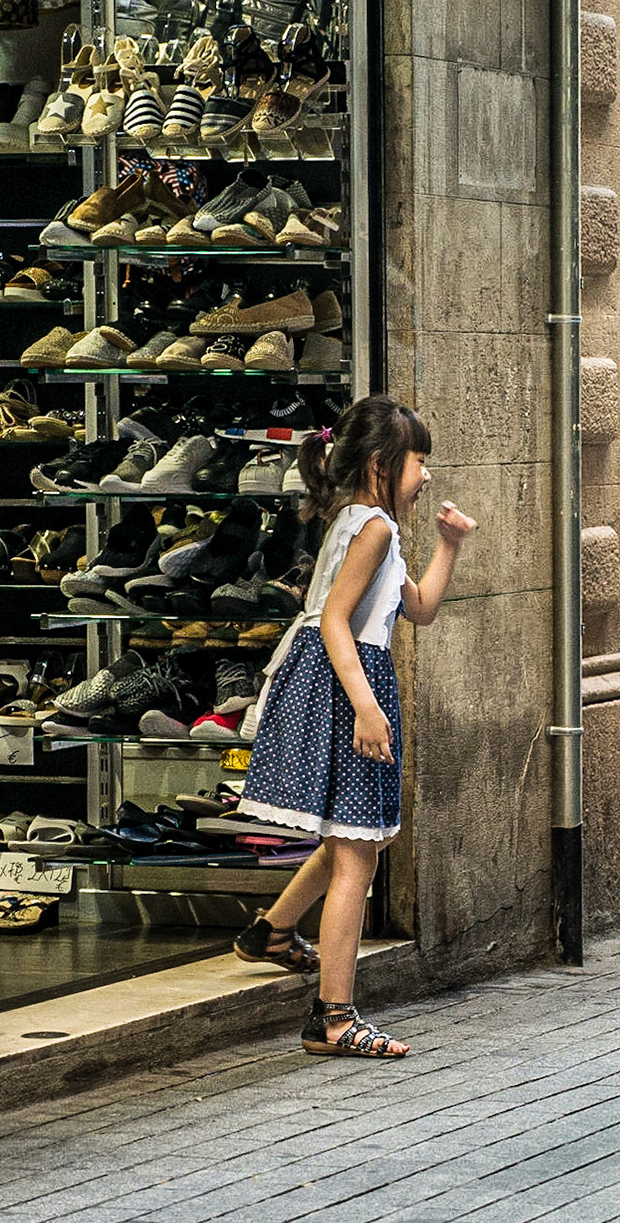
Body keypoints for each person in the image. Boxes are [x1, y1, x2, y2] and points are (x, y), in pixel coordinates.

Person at [229, 395, 476, 1059]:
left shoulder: (360, 520)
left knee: (350, 838)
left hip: (336, 679)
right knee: (358, 854)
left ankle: (274, 932)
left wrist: (449, 544)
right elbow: (338, 620)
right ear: (381, 465)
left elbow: (416, 608)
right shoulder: (376, 529)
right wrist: (367, 707)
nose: (426, 474)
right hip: (348, 684)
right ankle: (333, 1018)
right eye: (419, 460)